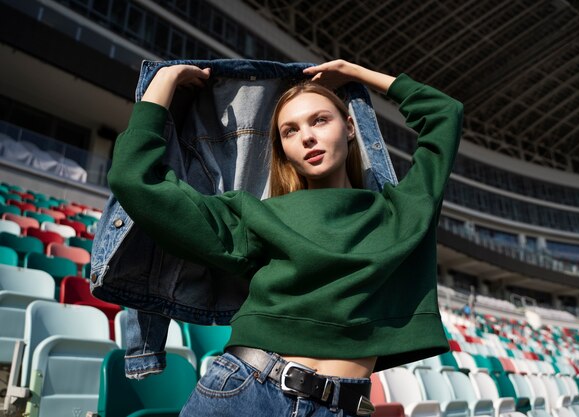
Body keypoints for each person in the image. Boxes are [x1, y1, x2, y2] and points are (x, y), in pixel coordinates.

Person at [107, 59, 463, 417]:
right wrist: (163, 81)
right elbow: (134, 179)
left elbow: (444, 113)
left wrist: (358, 76)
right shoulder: (258, 216)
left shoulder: (403, 211)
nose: (307, 136)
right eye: (289, 131)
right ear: (283, 151)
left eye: (320, 120)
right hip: (245, 392)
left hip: (343, 406)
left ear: (351, 126)